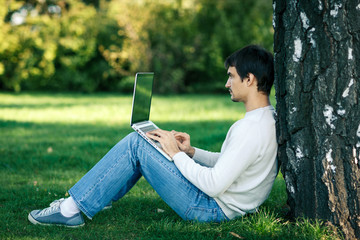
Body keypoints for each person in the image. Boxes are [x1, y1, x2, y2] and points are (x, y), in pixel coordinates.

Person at [28, 45, 278, 227]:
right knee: (144, 141)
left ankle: (71, 209)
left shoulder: (250, 129)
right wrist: (190, 153)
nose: (227, 83)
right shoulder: (266, 119)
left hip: (210, 209)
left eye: (231, 76)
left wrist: (173, 154)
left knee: (137, 143)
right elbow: (229, 162)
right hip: (227, 205)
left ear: (249, 79)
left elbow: (213, 185)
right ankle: (97, 195)